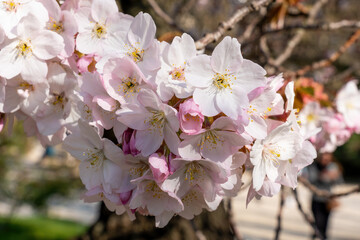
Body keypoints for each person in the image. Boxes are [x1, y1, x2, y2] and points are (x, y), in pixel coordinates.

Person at [306, 152, 343, 240]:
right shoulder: (313, 166)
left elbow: (339, 181)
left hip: (328, 200)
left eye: (327, 156)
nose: (325, 158)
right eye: (323, 156)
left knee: (326, 223)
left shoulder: (333, 166)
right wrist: (322, 176)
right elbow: (311, 180)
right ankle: (317, 235)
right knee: (318, 222)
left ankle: (323, 237)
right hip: (316, 199)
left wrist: (334, 176)